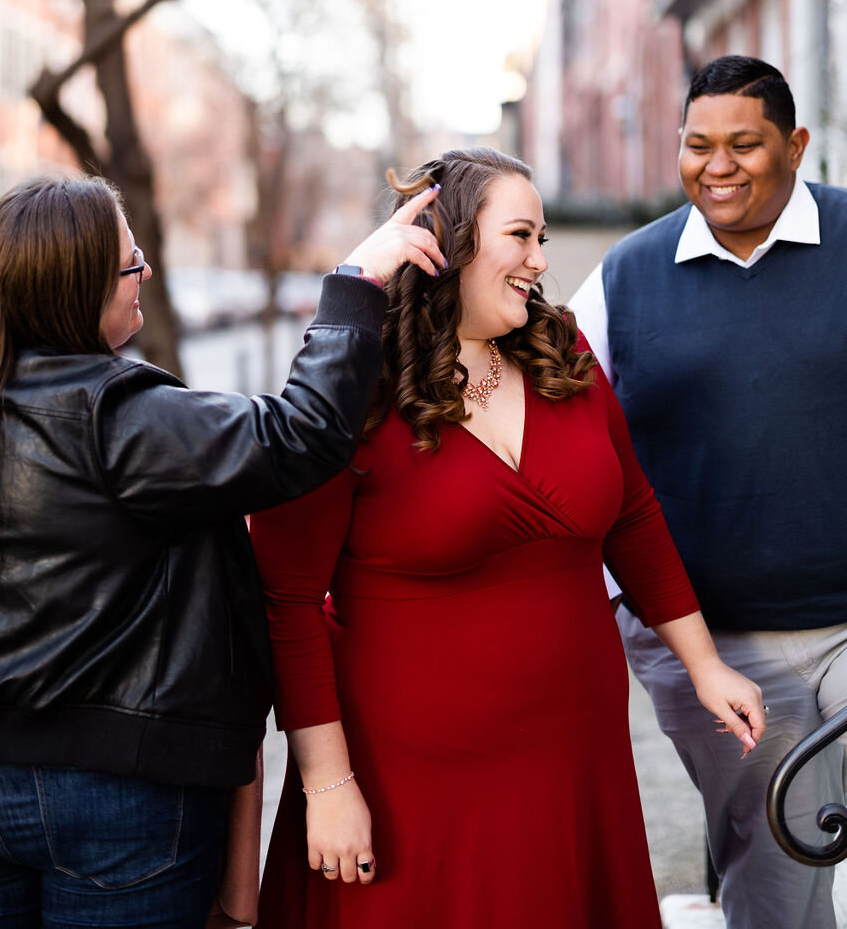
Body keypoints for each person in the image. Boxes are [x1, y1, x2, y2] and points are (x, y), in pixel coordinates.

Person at [0, 171, 446, 929]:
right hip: (109, 790)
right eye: (133, 265)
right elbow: (299, 436)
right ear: (76, 289)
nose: (147, 275)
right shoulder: (119, 416)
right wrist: (356, 284)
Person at [250, 147, 764, 929]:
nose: (539, 259)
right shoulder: (352, 383)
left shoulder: (563, 346)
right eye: (521, 236)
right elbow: (286, 598)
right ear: (447, 244)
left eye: (543, 238)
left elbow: (633, 515)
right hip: (411, 781)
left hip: (572, 758)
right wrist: (327, 782)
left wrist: (703, 664)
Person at [569, 53, 847, 929]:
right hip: (714, 652)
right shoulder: (624, 278)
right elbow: (558, 432)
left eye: (743, 145)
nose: (715, 166)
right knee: (778, 880)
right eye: (696, 145)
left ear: (796, 145)